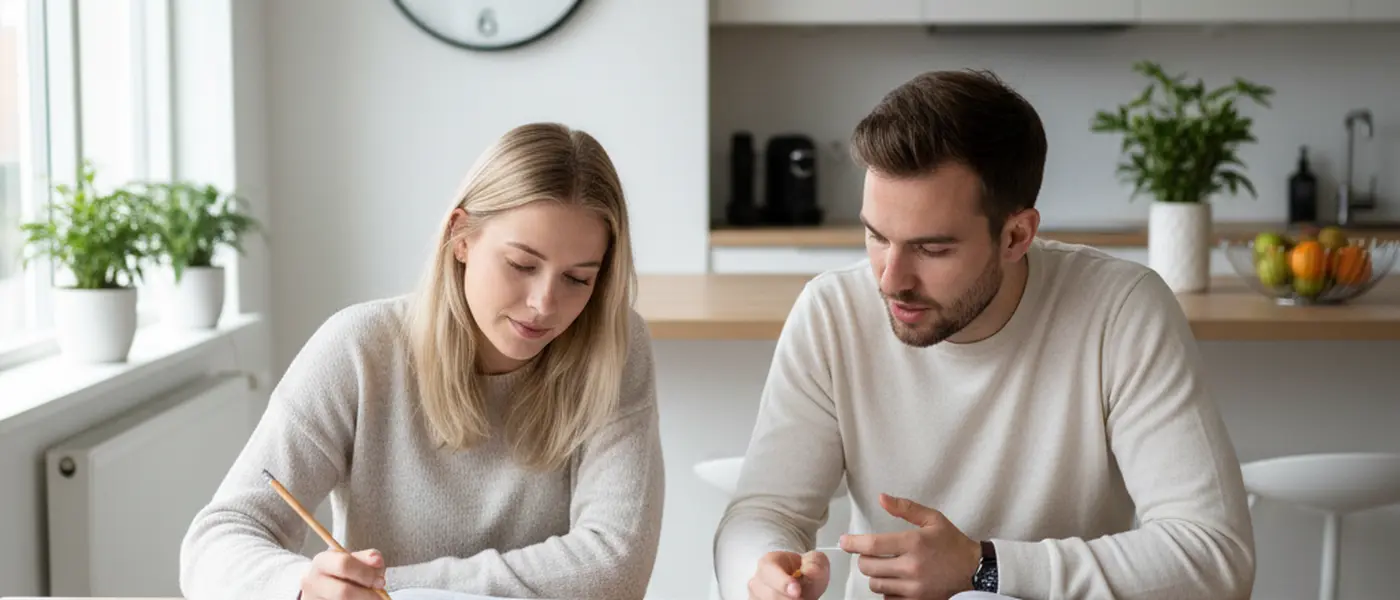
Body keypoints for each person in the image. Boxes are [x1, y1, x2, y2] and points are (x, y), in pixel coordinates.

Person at [713, 70, 1255, 600]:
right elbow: (766, 513)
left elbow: (1214, 556)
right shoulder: (832, 313)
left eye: (932, 249)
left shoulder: (1120, 310)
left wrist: (984, 567)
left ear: (1017, 235)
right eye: (877, 236)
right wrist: (764, 574)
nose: (890, 279)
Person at [180, 122, 665, 600]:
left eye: (577, 279)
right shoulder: (359, 349)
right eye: (521, 265)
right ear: (462, 237)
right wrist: (300, 589)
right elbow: (217, 540)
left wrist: (388, 586)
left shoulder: (614, 349)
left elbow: (615, 567)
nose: (544, 303)